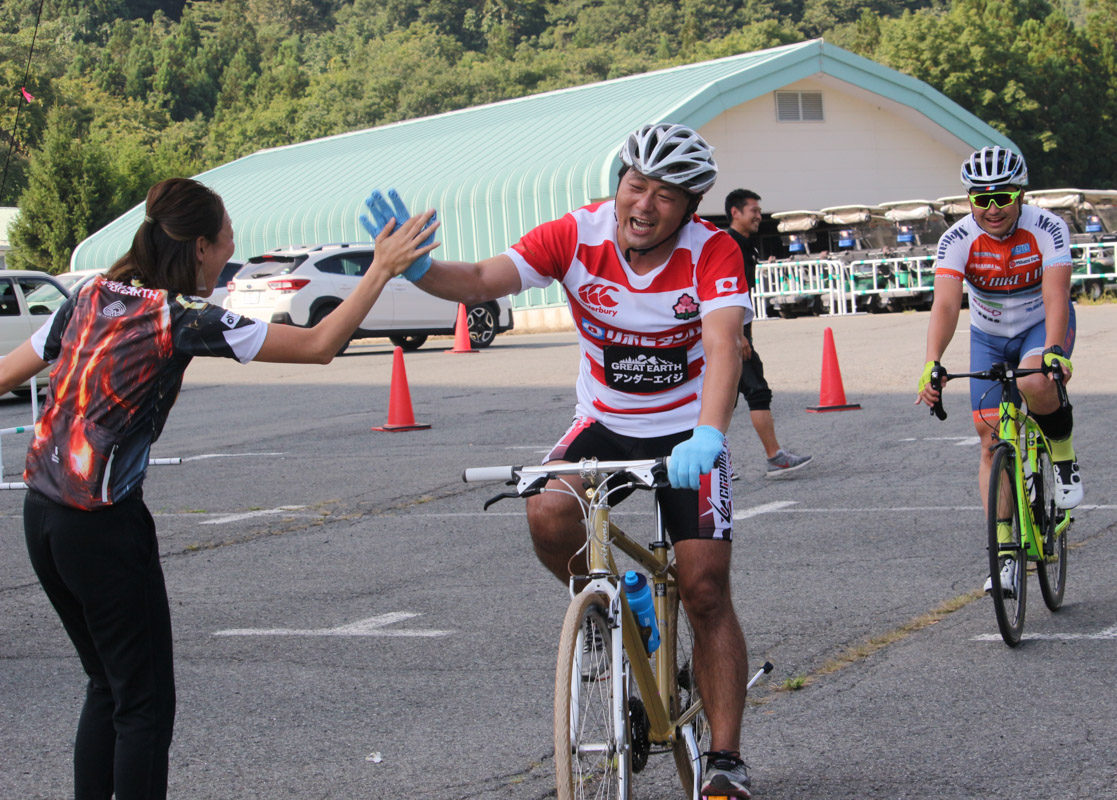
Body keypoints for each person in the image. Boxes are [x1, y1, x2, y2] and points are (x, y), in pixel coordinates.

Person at [1, 177, 438, 800]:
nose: (228, 261)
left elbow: (7, 373)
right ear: (199, 248)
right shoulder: (179, 318)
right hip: (101, 527)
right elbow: (319, 344)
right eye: (226, 247)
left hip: (41, 518)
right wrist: (381, 271)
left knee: (108, 687)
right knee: (145, 705)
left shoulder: (88, 295)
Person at [362, 122, 755, 798]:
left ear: (690, 206)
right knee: (546, 509)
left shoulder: (713, 252)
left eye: (665, 196)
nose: (644, 205)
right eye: (636, 186)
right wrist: (420, 268)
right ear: (618, 184)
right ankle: (608, 603)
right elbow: (485, 277)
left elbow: (725, 346)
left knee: (705, 588)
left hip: (688, 432)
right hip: (603, 423)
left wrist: (710, 435)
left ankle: (724, 760)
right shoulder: (576, 235)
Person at [916, 146, 1083, 595]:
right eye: (982, 198)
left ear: (1021, 194)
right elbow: (947, 304)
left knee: (1034, 381)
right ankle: (1006, 555)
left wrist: (1053, 350)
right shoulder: (956, 239)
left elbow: (1055, 295)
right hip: (987, 336)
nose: (992, 208)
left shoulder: (1047, 227)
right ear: (970, 199)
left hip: (1039, 327)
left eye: (1003, 197)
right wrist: (933, 361)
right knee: (991, 441)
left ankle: (1064, 462)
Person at [724, 188, 812, 478]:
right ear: (735, 212)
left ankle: (717, 464)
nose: (759, 216)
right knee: (755, 391)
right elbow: (725, 295)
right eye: (754, 211)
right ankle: (774, 458)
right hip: (731, 335)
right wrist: (739, 334)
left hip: (738, 333)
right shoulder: (727, 245)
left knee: (726, 398)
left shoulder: (745, 244)